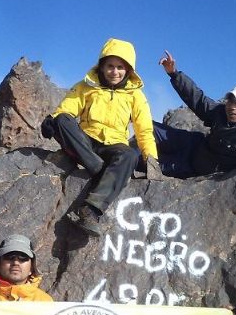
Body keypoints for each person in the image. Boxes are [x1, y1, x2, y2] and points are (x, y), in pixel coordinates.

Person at [41, 38, 159, 237]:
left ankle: (90, 210)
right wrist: (52, 120)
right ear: (102, 66)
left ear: (129, 70)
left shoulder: (136, 95)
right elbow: (68, 109)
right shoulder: (86, 86)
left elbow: (144, 130)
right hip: (86, 142)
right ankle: (103, 172)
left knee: (130, 156)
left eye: (120, 67)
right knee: (62, 120)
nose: (115, 72)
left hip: (114, 147)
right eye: (110, 66)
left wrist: (152, 160)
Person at [155, 50, 236, 178]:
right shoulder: (221, 111)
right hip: (194, 143)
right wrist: (174, 74)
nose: (232, 108)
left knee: (149, 162)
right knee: (148, 127)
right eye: (230, 102)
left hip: (194, 165)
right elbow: (197, 99)